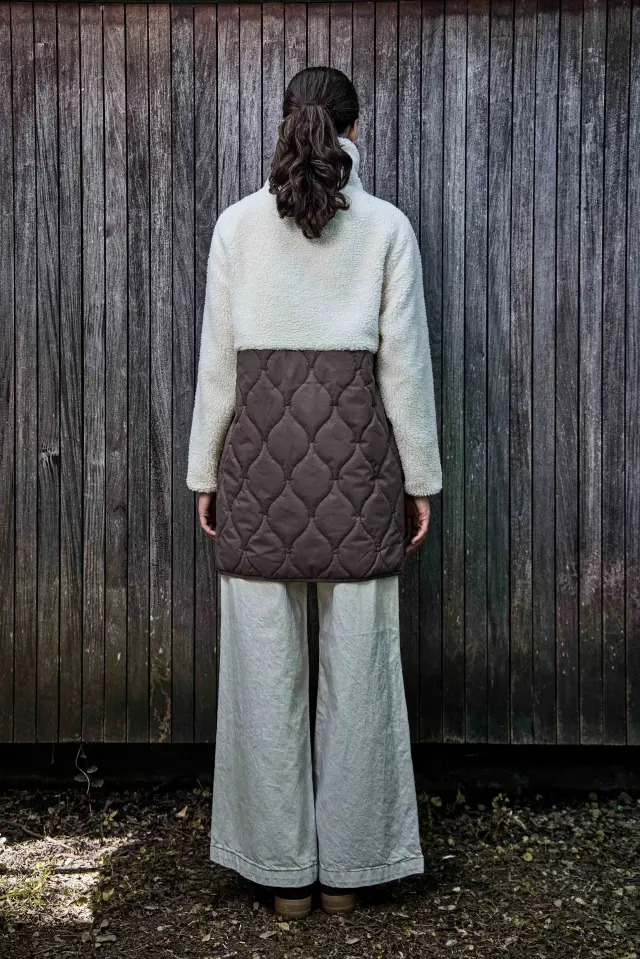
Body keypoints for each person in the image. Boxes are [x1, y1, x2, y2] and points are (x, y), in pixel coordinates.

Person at [186, 65, 442, 920]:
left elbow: (218, 366)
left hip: (257, 471)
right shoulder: (387, 228)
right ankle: (350, 874)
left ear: (286, 121)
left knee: (263, 676)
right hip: (360, 472)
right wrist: (419, 478)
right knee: (361, 673)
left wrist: (204, 471)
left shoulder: (236, 227)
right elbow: (404, 370)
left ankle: (282, 875)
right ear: (354, 129)